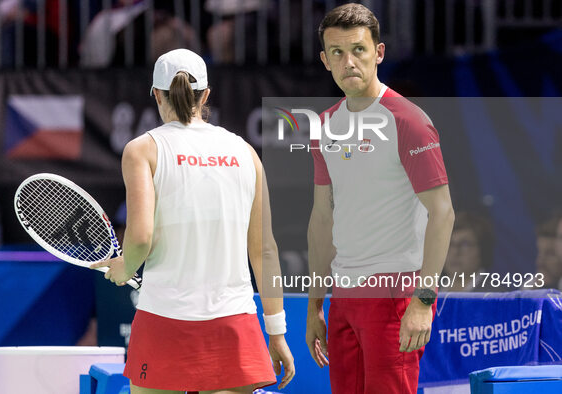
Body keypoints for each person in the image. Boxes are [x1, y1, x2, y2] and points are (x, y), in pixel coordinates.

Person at [91, 48, 294, 393]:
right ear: (206, 95)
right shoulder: (246, 152)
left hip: (163, 321)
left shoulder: (143, 150)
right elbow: (266, 252)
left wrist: (125, 269)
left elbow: (140, 238)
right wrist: (276, 331)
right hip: (234, 324)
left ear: (155, 94)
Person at [304, 4, 454, 394]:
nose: (348, 61)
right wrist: (315, 304)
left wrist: (423, 301)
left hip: (396, 295)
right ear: (324, 60)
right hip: (343, 297)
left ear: (379, 53)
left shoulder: (409, 121)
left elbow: (443, 214)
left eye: (359, 50)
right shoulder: (323, 125)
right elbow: (322, 219)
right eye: (337, 52)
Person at [442, 212, 494, 292]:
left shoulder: (495, 297)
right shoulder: (427, 291)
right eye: (450, 244)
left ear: (483, 250)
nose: (455, 252)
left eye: (465, 244)